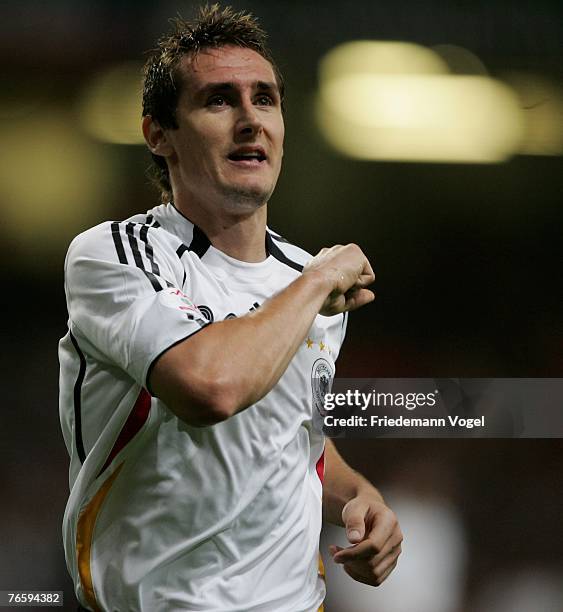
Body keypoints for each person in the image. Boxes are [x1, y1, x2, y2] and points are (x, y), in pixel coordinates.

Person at [59, 5, 402, 611]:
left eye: (265, 99)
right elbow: (209, 389)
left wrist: (357, 494)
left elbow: (288, 432)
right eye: (219, 100)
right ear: (158, 134)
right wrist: (318, 282)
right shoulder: (116, 255)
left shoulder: (308, 282)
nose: (250, 120)